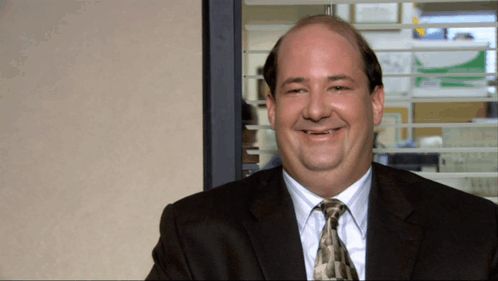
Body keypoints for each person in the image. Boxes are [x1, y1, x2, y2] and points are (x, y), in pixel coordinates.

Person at [146, 15, 498, 280]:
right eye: (297, 89)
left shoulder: (474, 232)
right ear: (272, 108)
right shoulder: (196, 236)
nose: (316, 110)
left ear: (376, 103)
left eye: (338, 87)